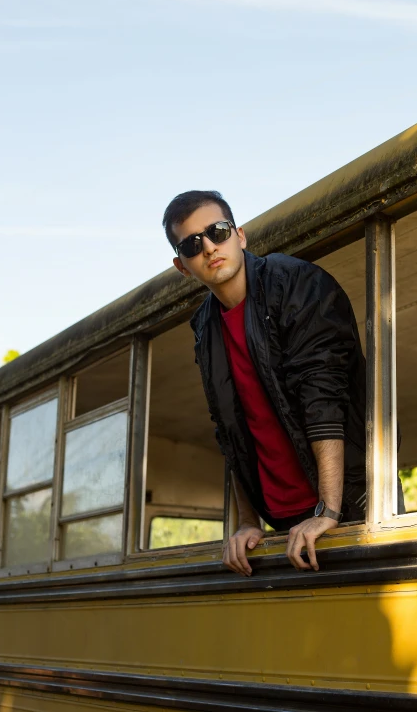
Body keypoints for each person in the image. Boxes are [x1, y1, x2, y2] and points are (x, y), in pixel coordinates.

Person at [164, 190, 385, 577]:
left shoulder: (296, 283)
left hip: (349, 505)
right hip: (281, 521)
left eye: (217, 231)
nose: (210, 247)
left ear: (240, 235)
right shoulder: (204, 328)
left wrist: (328, 510)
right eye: (192, 244)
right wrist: (249, 521)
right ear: (182, 266)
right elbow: (229, 430)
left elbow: (323, 396)